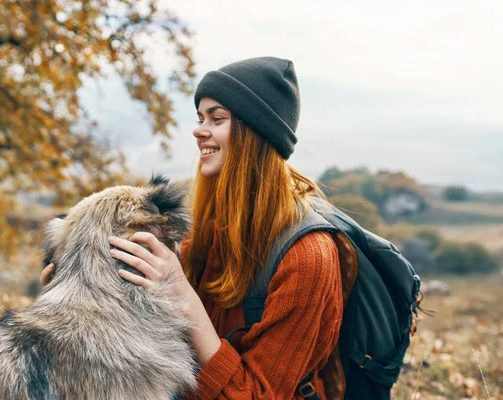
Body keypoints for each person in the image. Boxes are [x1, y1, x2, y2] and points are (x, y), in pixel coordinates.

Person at [41, 57, 344, 399]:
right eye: (201, 118)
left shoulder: (308, 258)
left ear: (256, 133)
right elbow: (162, 338)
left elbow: (259, 394)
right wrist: (81, 293)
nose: (199, 130)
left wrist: (183, 295)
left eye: (217, 118)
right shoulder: (210, 230)